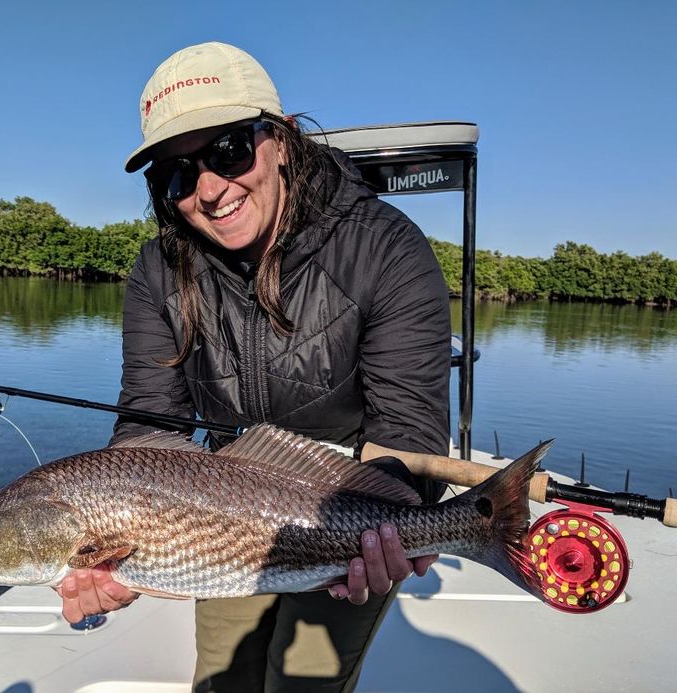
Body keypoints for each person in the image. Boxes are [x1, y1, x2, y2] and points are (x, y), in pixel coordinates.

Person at [57, 41, 451, 692]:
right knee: (221, 680)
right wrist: (114, 553)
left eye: (229, 149)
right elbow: (145, 429)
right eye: (177, 174)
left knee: (303, 685)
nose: (208, 189)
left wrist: (397, 515)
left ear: (283, 140)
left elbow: (405, 432)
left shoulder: (389, 249)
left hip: (342, 506)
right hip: (215, 513)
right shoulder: (158, 273)